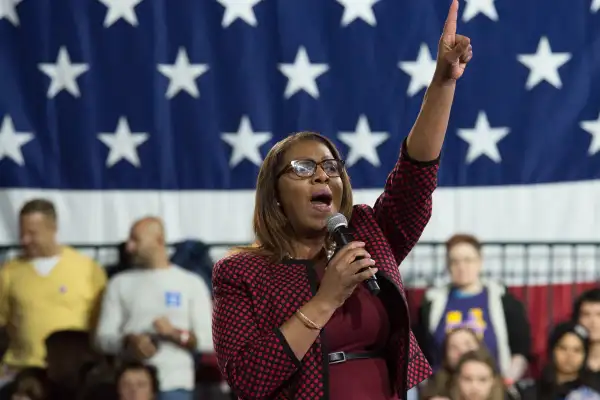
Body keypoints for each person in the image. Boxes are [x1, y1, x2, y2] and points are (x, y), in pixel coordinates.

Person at [211, 1, 472, 398]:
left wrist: (443, 84)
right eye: (302, 168)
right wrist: (326, 298)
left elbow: (416, 174)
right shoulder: (243, 274)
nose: (321, 174)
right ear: (275, 195)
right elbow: (249, 378)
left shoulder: (369, 234)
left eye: (331, 167)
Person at [416, 234, 530, 383]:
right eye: (455, 261)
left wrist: (506, 382)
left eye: (468, 260)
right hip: (444, 388)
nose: (461, 267)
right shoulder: (432, 303)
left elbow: (520, 351)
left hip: (492, 389)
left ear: (480, 262)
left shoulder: (503, 300)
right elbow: (420, 350)